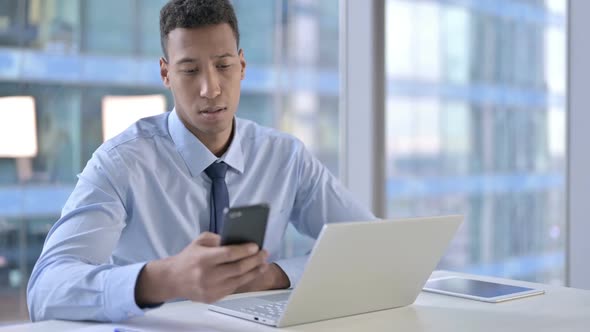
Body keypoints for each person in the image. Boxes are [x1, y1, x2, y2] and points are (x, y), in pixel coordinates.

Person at [27, 0, 375, 322]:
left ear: (242, 66)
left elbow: (368, 244)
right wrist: (165, 279)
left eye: (223, 66)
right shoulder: (121, 162)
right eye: (190, 70)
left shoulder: (285, 156)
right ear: (166, 74)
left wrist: (275, 275)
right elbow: (45, 290)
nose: (211, 89)